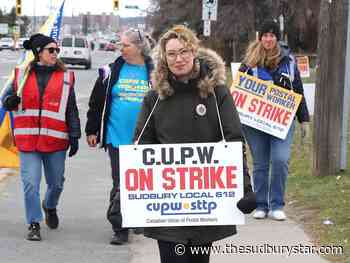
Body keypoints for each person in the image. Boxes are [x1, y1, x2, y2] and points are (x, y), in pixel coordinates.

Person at [134, 25, 256, 263]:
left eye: (184, 52)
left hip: (206, 203)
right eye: (171, 54)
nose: (178, 59)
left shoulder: (216, 92)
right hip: (167, 205)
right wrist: (123, 195)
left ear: (194, 52)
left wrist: (245, 186)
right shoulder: (154, 98)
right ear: (164, 58)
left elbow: (233, 140)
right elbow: (141, 146)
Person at [1, 33, 81, 241]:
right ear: (38, 53)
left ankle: (50, 205)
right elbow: (6, 100)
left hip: (55, 141)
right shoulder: (21, 75)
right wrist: (10, 101)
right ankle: (34, 223)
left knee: (56, 184)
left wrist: (74, 135)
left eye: (57, 50)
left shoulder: (66, 77)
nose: (55, 54)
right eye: (51, 50)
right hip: (28, 141)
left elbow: (71, 109)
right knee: (30, 184)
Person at [85, 28, 153, 245]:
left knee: (142, 183)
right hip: (117, 136)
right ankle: (119, 226)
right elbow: (96, 103)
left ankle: (137, 218)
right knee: (120, 182)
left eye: (126, 45)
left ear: (139, 47)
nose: (120, 48)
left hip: (146, 140)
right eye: (120, 44)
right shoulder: (111, 70)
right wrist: (92, 130)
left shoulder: (155, 71)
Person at [238, 20, 310, 221]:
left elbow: (298, 90)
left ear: (277, 37)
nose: (268, 39)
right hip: (255, 121)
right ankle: (261, 204)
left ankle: (277, 204)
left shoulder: (289, 61)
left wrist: (304, 119)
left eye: (272, 35)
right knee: (260, 163)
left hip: (282, 120)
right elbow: (239, 90)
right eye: (265, 35)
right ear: (260, 37)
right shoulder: (249, 62)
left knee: (280, 160)